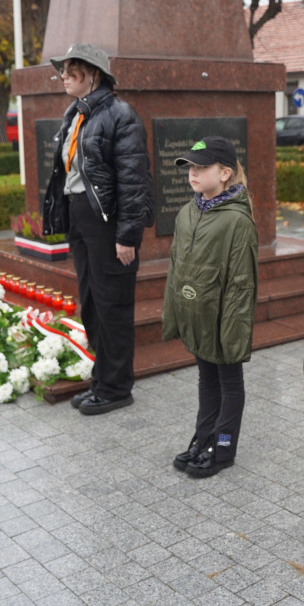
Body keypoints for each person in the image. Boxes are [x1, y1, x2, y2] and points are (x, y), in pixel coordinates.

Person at [42, 43, 154, 416]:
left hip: (107, 224)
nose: (63, 77)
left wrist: (128, 236)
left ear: (92, 74)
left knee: (113, 306)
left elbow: (134, 180)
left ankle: (118, 387)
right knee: (91, 303)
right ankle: (102, 379)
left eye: (71, 70)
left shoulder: (120, 114)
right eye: (63, 70)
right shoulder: (76, 114)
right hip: (82, 218)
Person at [163, 137, 258, 478]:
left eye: (202, 167)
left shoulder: (236, 221)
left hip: (223, 320)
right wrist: (174, 312)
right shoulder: (189, 212)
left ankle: (223, 448)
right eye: (191, 166)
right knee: (207, 379)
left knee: (229, 382)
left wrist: (233, 331)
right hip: (197, 316)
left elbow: (241, 283)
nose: (193, 173)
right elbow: (177, 266)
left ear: (225, 173)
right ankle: (203, 438)